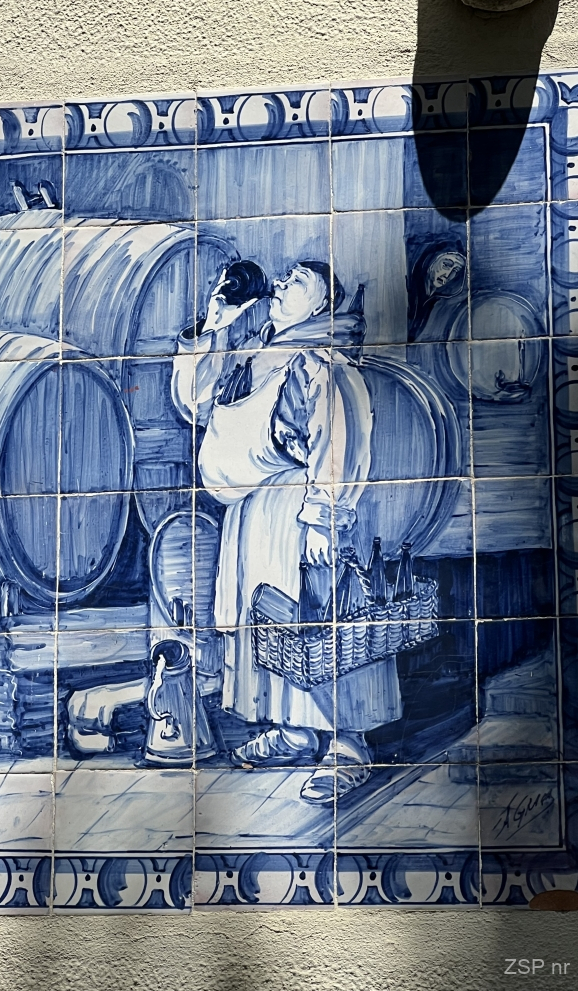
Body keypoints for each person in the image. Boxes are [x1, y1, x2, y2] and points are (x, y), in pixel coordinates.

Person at [171, 260, 402, 804]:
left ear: (322, 305)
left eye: (297, 282)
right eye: (284, 279)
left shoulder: (322, 363)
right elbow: (195, 404)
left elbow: (341, 439)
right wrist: (212, 328)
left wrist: (323, 517)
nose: (279, 285)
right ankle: (295, 729)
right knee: (270, 622)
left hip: (300, 509)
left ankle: (348, 746)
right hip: (253, 510)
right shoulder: (256, 352)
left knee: (320, 622)